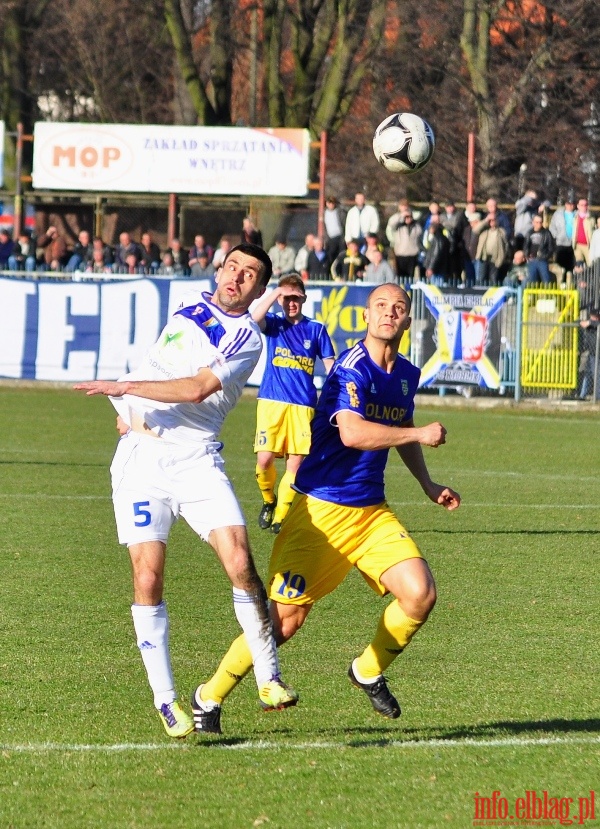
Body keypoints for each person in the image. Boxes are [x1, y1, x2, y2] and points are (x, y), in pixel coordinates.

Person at [191, 283, 460, 734]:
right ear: (366, 317)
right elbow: (354, 433)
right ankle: (209, 696)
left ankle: (367, 670)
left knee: (420, 593)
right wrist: (418, 436)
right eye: (380, 306)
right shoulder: (352, 369)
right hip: (319, 514)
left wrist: (427, 483)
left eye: (398, 308)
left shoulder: (406, 374)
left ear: (409, 322)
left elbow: (403, 423)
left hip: (371, 512)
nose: (389, 314)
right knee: (282, 625)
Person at [73, 243, 298, 738]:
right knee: (148, 576)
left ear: (258, 289)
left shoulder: (248, 339)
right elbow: (155, 366)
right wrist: (124, 411)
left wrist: (122, 387)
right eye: (233, 267)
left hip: (197, 460)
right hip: (142, 462)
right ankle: (166, 699)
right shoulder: (187, 307)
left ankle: (269, 677)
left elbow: (196, 388)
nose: (237, 277)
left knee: (239, 559)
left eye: (250, 274)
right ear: (220, 270)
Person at [252, 273, 335, 534]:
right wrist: (275, 292)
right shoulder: (275, 324)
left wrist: (332, 397)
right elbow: (253, 318)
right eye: (286, 298)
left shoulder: (316, 329)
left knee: (295, 465)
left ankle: (280, 515)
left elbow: (331, 366)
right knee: (264, 460)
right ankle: (269, 501)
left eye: (295, 298)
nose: (291, 303)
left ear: (304, 299)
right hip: (271, 402)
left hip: (303, 405)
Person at [385, 205, 423, 280]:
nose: (408, 219)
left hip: (412, 254)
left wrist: (411, 215)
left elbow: (420, 231)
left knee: (411, 276)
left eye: (409, 217)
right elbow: (391, 223)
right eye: (406, 217)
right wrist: (401, 214)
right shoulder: (398, 226)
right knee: (400, 276)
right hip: (400, 254)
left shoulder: (416, 226)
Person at [474, 214, 508, 286]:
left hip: (495, 259)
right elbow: (475, 230)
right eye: (490, 221)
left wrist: (502, 258)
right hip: (483, 258)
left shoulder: (501, 232)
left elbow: (506, 246)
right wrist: (486, 219)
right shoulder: (484, 231)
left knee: (493, 279)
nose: (492, 222)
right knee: (481, 278)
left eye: (494, 220)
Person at [522, 213, 555, 284]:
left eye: (540, 222)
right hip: (531, 260)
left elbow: (551, 247)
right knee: (531, 280)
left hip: (542, 260)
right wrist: (527, 255)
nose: (539, 224)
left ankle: (547, 294)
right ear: (533, 222)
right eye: (537, 222)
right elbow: (526, 246)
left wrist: (545, 256)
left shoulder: (547, 233)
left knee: (546, 279)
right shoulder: (529, 233)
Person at [549, 197, 576, 281]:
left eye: (572, 204)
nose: (570, 206)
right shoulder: (558, 214)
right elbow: (552, 227)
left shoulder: (577, 214)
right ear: (565, 204)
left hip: (573, 243)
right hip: (560, 243)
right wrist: (556, 236)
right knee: (560, 265)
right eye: (568, 203)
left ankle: (569, 284)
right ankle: (560, 283)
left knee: (571, 266)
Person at [572, 198, 595, 267]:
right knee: (579, 265)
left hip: (588, 246)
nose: (584, 207)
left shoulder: (591, 218)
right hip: (577, 245)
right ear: (578, 206)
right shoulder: (575, 218)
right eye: (582, 205)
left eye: (585, 205)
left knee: (591, 265)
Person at [323, 196, 345, 262]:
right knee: (330, 255)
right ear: (326, 203)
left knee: (341, 254)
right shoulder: (324, 213)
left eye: (333, 203)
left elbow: (343, 223)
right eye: (329, 203)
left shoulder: (340, 212)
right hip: (330, 237)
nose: (331, 205)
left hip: (340, 236)